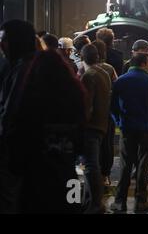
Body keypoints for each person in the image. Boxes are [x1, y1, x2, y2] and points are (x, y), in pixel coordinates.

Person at [6, 50, 86, 213]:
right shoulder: (75, 93)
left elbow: (19, 129)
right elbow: (81, 130)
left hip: (36, 172)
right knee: (72, 203)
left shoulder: (31, 94)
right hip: (68, 169)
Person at [110, 53, 148, 213]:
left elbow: (112, 106)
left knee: (125, 165)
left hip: (127, 128)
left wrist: (119, 121)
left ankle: (120, 202)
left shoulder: (120, 81)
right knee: (143, 165)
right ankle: (141, 201)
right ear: (142, 63)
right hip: (146, 129)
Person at [0, 19, 36, 213]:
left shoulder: (22, 69)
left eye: (4, 39)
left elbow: (11, 113)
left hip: (16, 152)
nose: (1, 45)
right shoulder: (31, 65)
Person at [80, 44, 111, 213]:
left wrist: (81, 123)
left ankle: (95, 204)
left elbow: (87, 105)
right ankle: (89, 200)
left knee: (90, 165)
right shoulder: (104, 73)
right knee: (93, 164)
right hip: (102, 124)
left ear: (82, 57)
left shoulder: (88, 76)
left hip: (91, 126)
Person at [91, 40, 118, 187]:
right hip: (107, 111)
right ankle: (105, 175)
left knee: (95, 145)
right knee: (107, 143)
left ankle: (95, 176)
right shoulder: (109, 69)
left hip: (93, 114)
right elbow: (116, 87)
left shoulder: (86, 69)